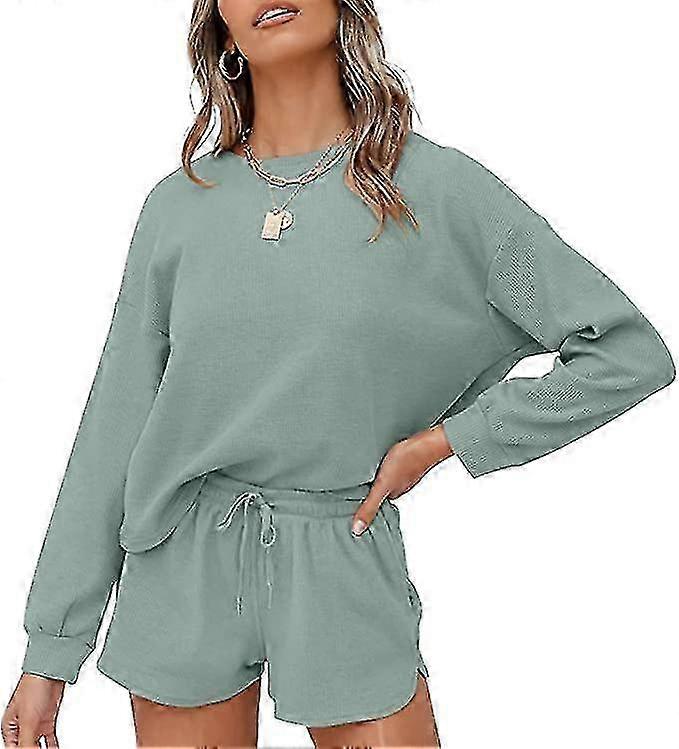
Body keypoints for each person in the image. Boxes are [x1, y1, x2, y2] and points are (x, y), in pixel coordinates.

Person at [2, 0, 675, 746]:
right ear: (221, 26)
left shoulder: (436, 188)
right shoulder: (178, 206)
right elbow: (115, 422)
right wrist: (50, 650)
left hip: (341, 543)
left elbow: (625, 352)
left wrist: (447, 442)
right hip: (179, 562)